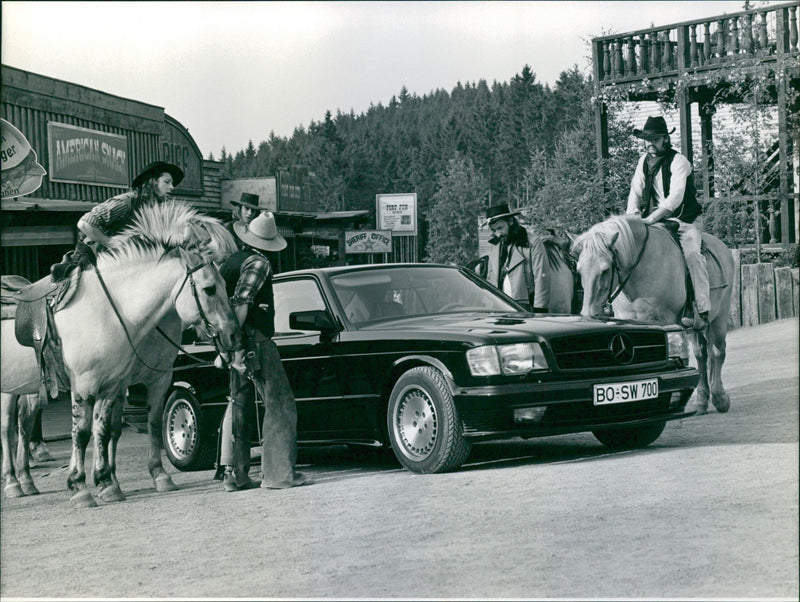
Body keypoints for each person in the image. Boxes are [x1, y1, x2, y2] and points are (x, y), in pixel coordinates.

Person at [216, 211, 309, 492]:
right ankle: (279, 474)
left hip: (234, 344)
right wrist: (238, 347)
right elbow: (242, 302)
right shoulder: (259, 262)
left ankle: (235, 474)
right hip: (254, 340)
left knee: (239, 405)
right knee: (279, 404)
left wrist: (226, 351)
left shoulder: (230, 261)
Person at [626, 116, 709, 330]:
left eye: (655, 138)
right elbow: (635, 192)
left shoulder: (679, 161)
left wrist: (649, 219)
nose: (650, 143)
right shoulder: (643, 161)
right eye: (646, 139)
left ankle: (700, 308)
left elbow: (675, 198)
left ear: (665, 139)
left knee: (692, 255)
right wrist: (632, 221)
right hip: (653, 221)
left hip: (684, 219)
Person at [51, 161, 184, 280]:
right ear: (152, 182)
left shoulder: (154, 210)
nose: (172, 187)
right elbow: (85, 223)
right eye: (167, 182)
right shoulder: (126, 202)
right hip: (92, 256)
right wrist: (109, 241)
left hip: (121, 261)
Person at [483, 202, 557, 312]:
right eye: (494, 230)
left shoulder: (533, 243)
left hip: (525, 307)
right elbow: (490, 278)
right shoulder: (495, 246)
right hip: (499, 308)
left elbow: (541, 277)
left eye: (500, 228)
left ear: (511, 221)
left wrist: (540, 308)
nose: (498, 234)